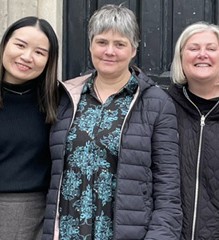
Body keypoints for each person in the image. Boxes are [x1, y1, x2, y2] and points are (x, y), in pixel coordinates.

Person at [42, 4, 182, 240]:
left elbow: (167, 186)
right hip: (67, 233)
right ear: (90, 45)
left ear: (134, 49)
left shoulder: (156, 103)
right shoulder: (66, 97)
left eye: (120, 44)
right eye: (102, 42)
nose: (109, 51)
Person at [0, 16, 59, 240]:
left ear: (49, 61)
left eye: (39, 52)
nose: (27, 57)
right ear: (5, 44)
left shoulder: (59, 105)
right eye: (20, 45)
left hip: (40, 219)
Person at [168, 21, 219, 239]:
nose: (202, 54)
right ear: (181, 57)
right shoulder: (164, 107)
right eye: (193, 48)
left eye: (211, 48)